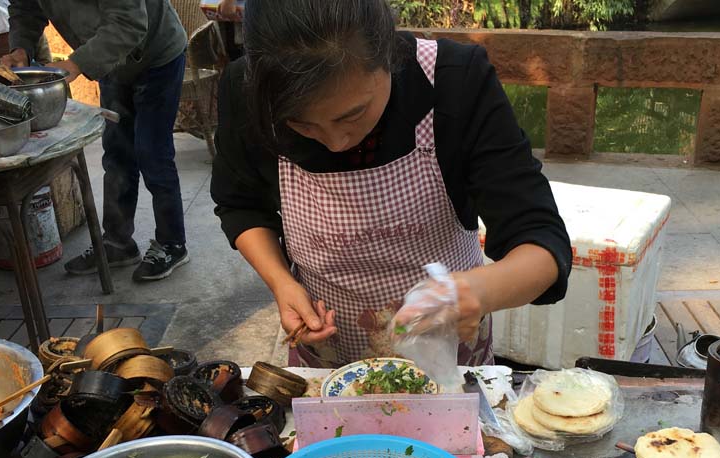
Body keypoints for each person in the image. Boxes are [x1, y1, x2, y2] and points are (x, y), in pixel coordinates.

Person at [211, 0, 571, 368]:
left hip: (445, 354)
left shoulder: (455, 80)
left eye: (352, 114)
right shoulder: (248, 90)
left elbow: (542, 243)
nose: (336, 142)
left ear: (388, 54)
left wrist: (477, 291)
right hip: (329, 351)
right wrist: (282, 283)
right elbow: (241, 204)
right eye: (301, 125)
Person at [1, 0, 190, 282]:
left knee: (152, 153)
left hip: (156, 56)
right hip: (110, 59)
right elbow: (26, 7)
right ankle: (118, 242)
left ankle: (172, 243)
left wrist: (75, 64)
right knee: (116, 153)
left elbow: (130, 23)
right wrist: (21, 47)